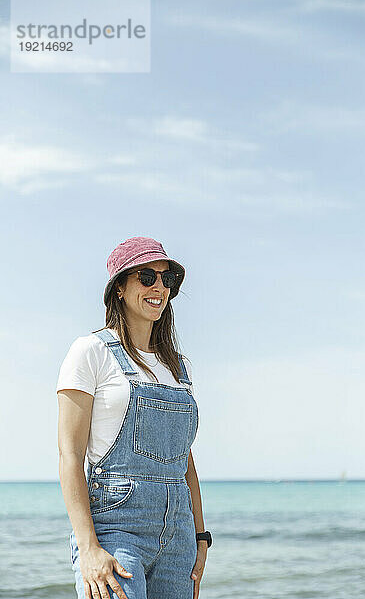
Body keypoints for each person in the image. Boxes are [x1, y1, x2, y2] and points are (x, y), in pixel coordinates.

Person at [57, 236, 212, 599]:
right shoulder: (90, 352)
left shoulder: (178, 368)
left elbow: (183, 460)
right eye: (146, 277)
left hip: (179, 539)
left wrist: (200, 536)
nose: (159, 287)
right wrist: (89, 548)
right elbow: (69, 457)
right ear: (120, 289)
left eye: (166, 279)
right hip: (115, 531)